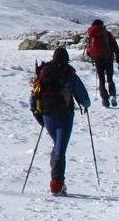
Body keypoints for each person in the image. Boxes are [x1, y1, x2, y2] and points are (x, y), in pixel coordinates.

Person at [30, 47, 90, 196]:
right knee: (61, 150)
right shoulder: (70, 75)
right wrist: (85, 105)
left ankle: (56, 179)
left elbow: (33, 98)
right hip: (65, 118)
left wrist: (37, 114)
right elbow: (85, 101)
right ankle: (56, 186)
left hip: (47, 117)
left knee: (58, 147)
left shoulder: (44, 72)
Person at [84, 19, 119, 107]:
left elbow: (88, 51)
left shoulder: (90, 34)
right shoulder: (106, 33)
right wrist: (118, 58)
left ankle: (104, 99)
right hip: (108, 58)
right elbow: (115, 45)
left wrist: (93, 57)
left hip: (97, 59)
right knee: (110, 79)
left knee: (101, 80)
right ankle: (112, 95)